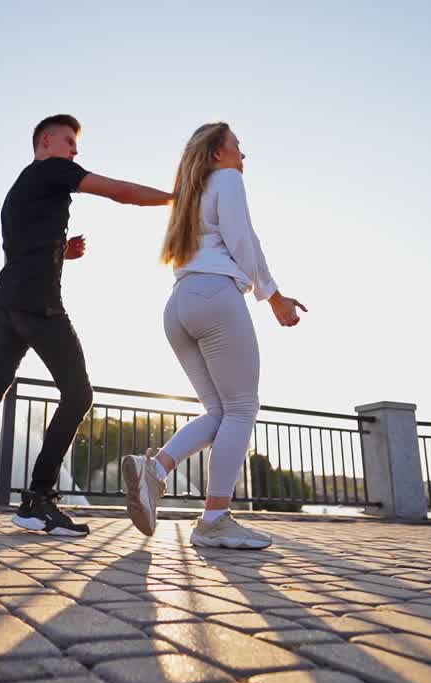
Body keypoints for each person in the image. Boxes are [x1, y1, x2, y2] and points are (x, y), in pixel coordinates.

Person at [0, 114, 172, 537]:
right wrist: (176, 198)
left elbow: (19, 247)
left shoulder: (19, 189)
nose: (75, 150)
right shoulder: (54, 169)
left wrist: (60, 251)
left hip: (9, 302)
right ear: (46, 141)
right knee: (78, 393)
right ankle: (39, 500)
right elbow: (118, 192)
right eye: (69, 141)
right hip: (38, 303)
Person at [120, 122, 307, 549]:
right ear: (217, 154)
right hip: (215, 294)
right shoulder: (228, 179)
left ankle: (156, 470)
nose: (244, 155)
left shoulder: (191, 193)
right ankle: (215, 519)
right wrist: (273, 295)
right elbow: (244, 241)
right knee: (243, 408)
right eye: (238, 146)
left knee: (221, 412)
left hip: (178, 303)